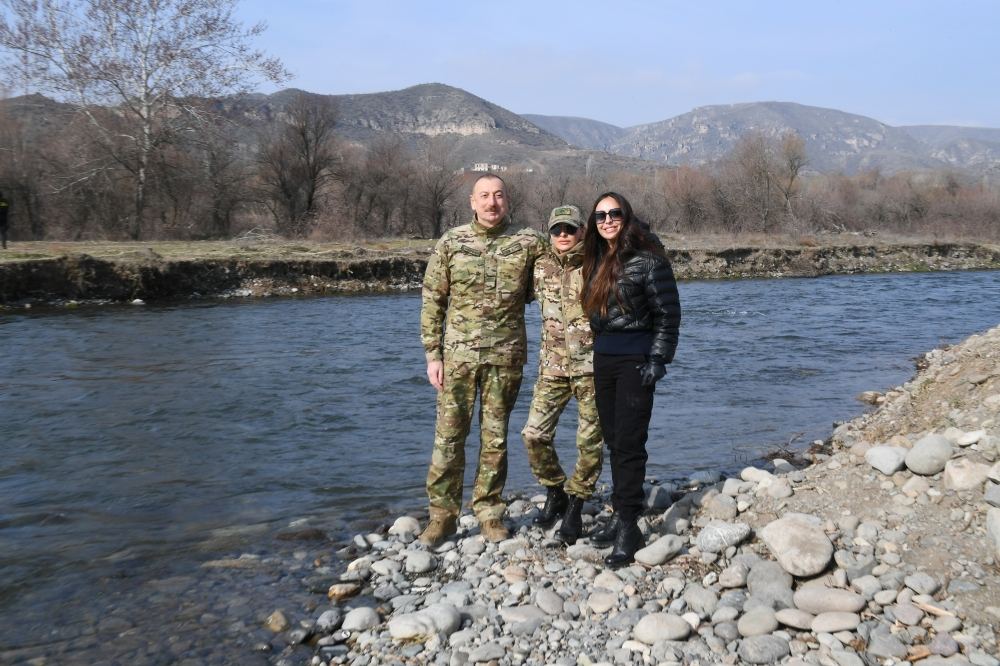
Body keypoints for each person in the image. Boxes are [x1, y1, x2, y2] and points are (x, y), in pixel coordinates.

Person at [419, 173, 548, 547]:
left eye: (499, 195)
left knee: (495, 439)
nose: (492, 203)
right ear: (472, 202)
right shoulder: (452, 242)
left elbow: (556, 281)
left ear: (508, 200)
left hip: (505, 357)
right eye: (485, 196)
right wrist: (432, 355)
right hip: (456, 358)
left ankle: (489, 512)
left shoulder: (528, 242)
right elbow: (432, 301)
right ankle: (441, 517)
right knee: (448, 438)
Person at [581, 191, 681, 568]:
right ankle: (623, 512)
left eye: (614, 213)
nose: (607, 220)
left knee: (629, 441)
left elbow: (668, 315)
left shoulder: (650, 261)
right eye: (600, 215)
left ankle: (628, 524)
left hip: (635, 360)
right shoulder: (596, 259)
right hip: (604, 359)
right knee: (613, 439)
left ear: (627, 216)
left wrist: (657, 358)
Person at [521, 205, 603, 545]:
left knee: (588, 442)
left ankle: (577, 503)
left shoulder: (599, 262)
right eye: (557, 230)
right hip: (552, 367)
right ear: (549, 233)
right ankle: (555, 490)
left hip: (593, 369)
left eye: (570, 229)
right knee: (533, 435)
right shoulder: (539, 266)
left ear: (582, 231)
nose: (564, 235)